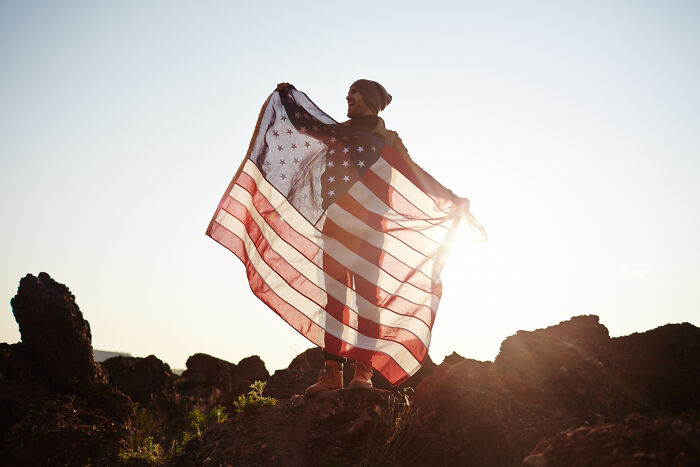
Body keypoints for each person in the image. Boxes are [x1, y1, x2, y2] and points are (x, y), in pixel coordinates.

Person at [304, 79, 407, 395]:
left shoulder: (388, 139)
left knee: (367, 299)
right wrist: (287, 97)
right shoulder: (338, 132)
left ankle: (363, 370)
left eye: (355, 92)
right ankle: (332, 371)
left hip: (370, 230)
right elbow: (306, 124)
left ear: (371, 98)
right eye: (348, 92)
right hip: (336, 226)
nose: (348, 96)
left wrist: (450, 199)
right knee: (334, 300)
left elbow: (413, 175)